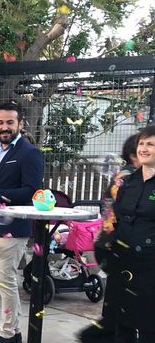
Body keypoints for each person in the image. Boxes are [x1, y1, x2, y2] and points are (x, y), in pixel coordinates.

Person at [0, 101, 43, 343]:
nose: (4, 127)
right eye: (1, 122)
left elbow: (34, 193)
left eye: (10, 122)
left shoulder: (29, 153)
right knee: (2, 280)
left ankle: (8, 333)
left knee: (5, 279)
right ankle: (13, 331)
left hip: (13, 227)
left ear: (20, 124)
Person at [88, 126, 155, 342]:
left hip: (150, 266)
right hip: (123, 262)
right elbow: (114, 216)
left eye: (150, 144)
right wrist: (107, 244)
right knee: (121, 323)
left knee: (148, 326)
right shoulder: (127, 182)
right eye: (142, 143)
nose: (144, 148)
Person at [78, 133, 140, 343]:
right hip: (116, 247)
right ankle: (95, 336)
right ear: (134, 155)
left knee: (125, 305)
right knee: (123, 306)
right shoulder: (127, 179)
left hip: (119, 246)